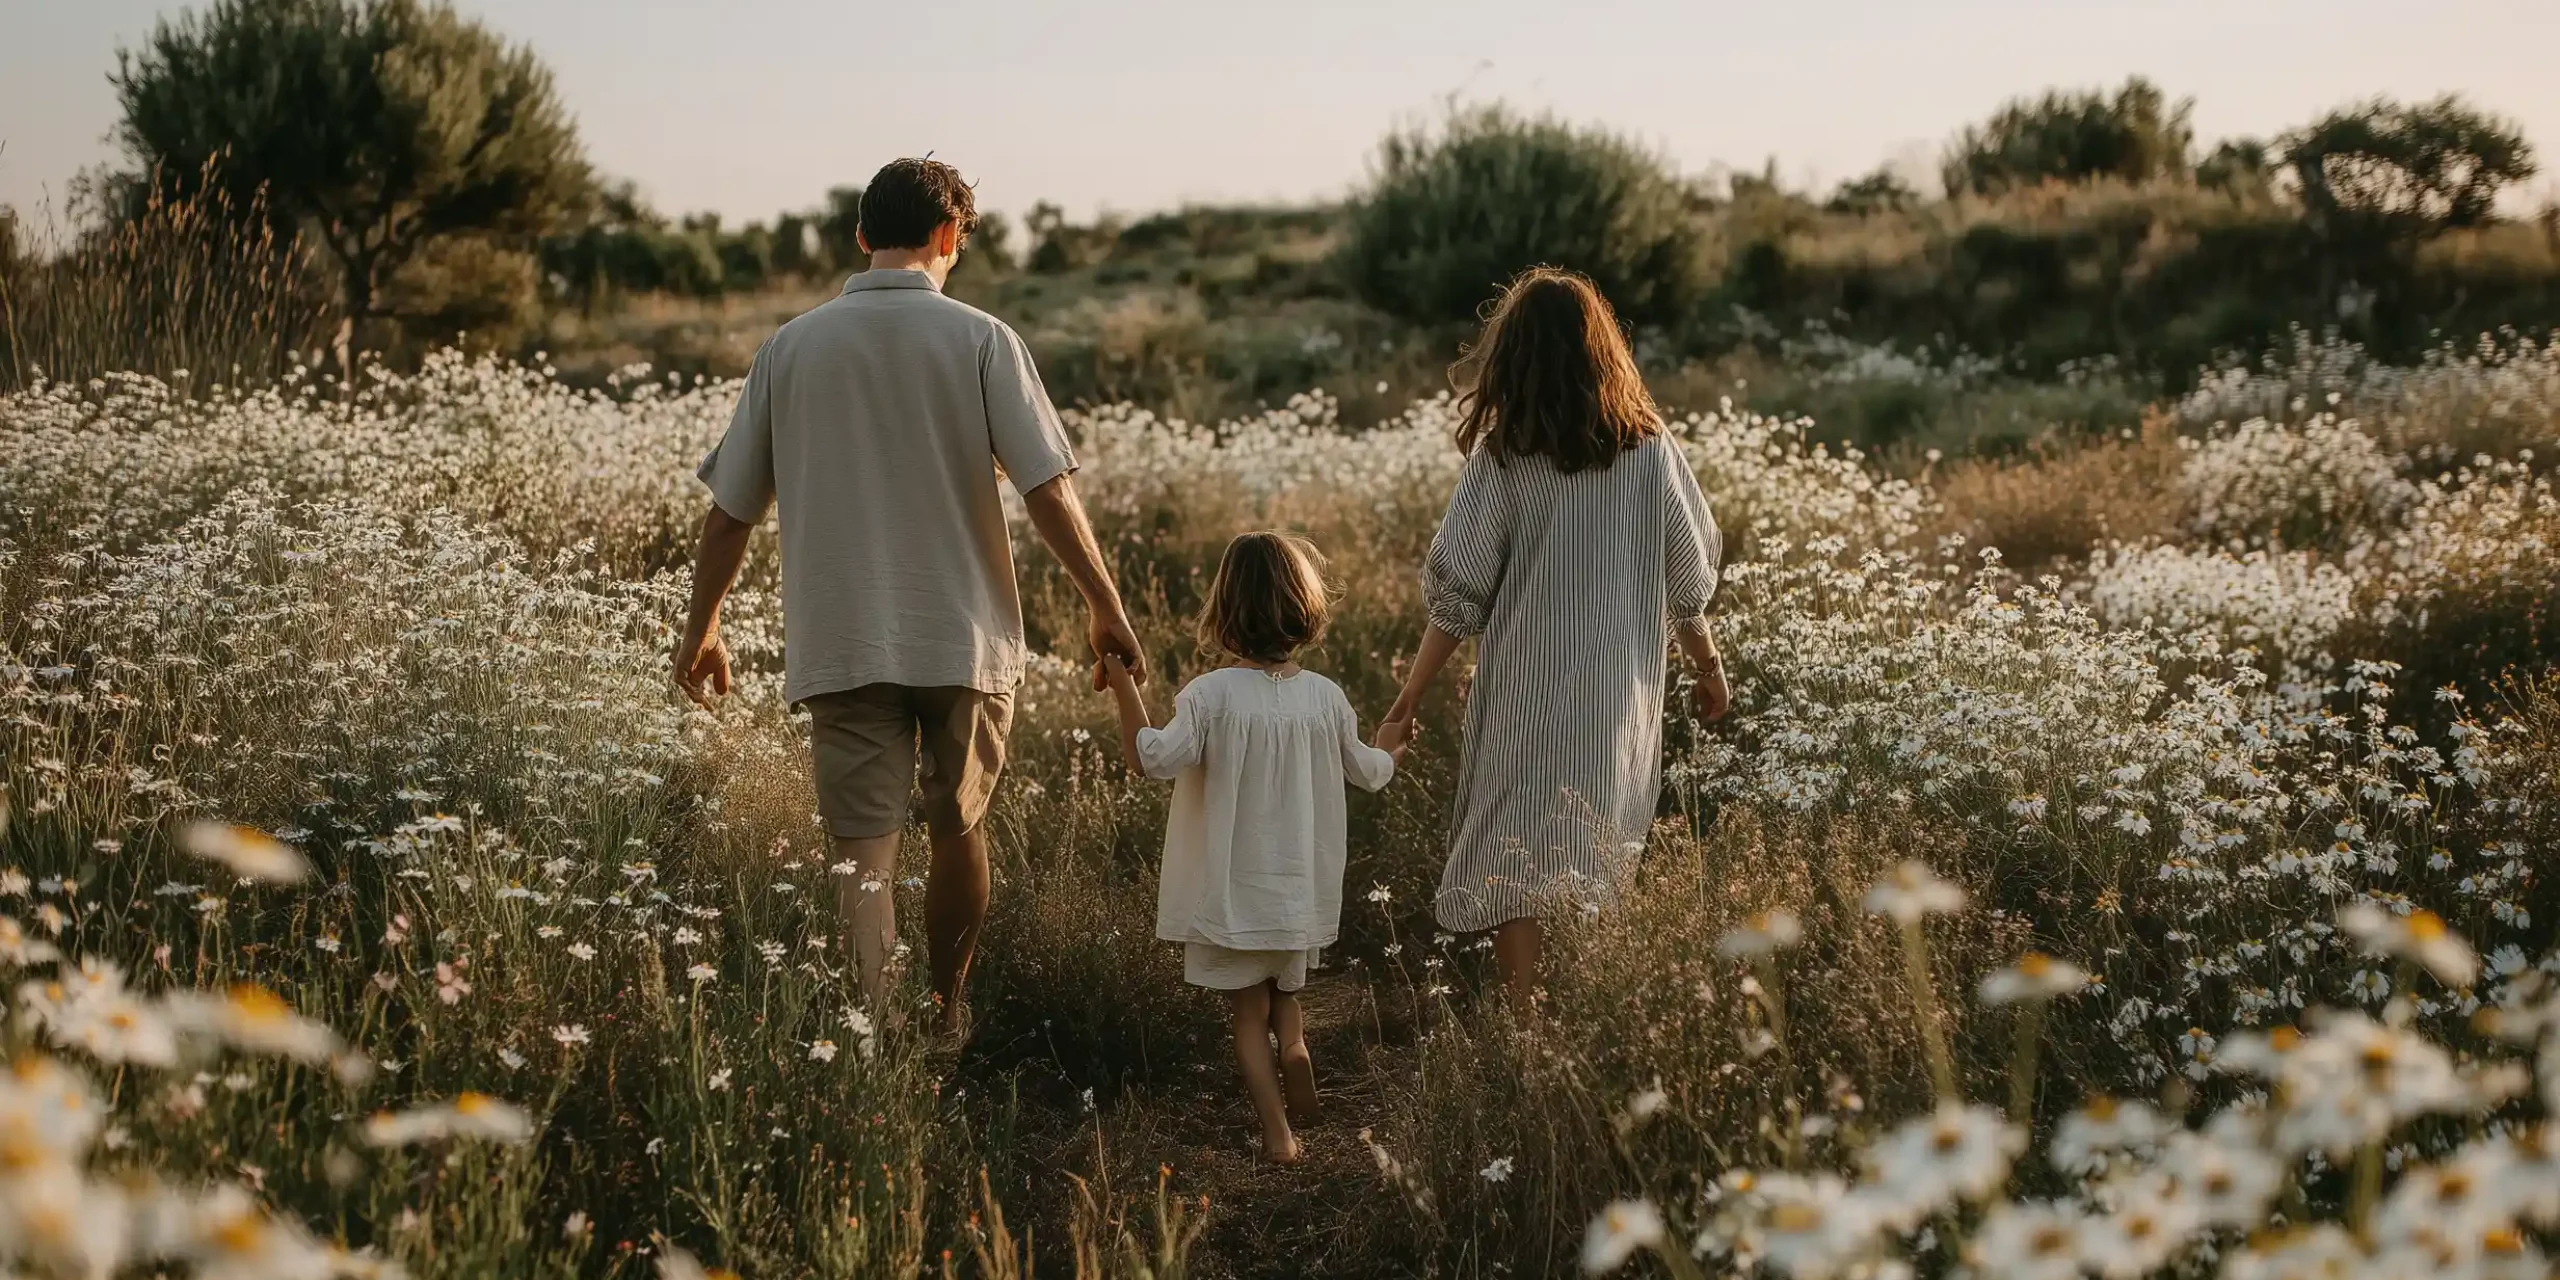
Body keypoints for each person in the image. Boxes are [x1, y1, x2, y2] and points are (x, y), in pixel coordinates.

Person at [674, 157, 1145, 1036]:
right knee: (959, 828)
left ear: (860, 237)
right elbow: (1047, 488)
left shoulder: (788, 348)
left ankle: (877, 1039)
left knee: (864, 861)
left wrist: (700, 631)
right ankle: (946, 1009)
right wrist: (1104, 604)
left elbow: (731, 511)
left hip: (842, 638)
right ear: (947, 235)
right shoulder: (982, 339)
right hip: (961, 638)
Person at [1379, 266, 1730, 1006]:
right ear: (1603, 351)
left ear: (1514, 357)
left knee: (1520, 845)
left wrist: (1409, 696)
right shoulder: (1649, 450)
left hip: (1522, 695)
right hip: (1614, 699)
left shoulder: (1504, 457)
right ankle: (1586, 1011)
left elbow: (1458, 594)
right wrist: (1708, 668)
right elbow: (1685, 574)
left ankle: (1525, 1020)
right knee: (1596, 843)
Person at [1098, 532, 1407, 1162]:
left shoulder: (1209, 696)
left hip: (1232, 895)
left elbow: (1149, 759)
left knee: (1246, 1016)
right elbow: (1369, 770)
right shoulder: (1325, 698)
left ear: (1224, 612)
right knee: (1284, 995)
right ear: (1306, 611)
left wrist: (1123, 683)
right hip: (1297, 891)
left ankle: (1278, 1135)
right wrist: (1392, 749)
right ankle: (1296, 1052)